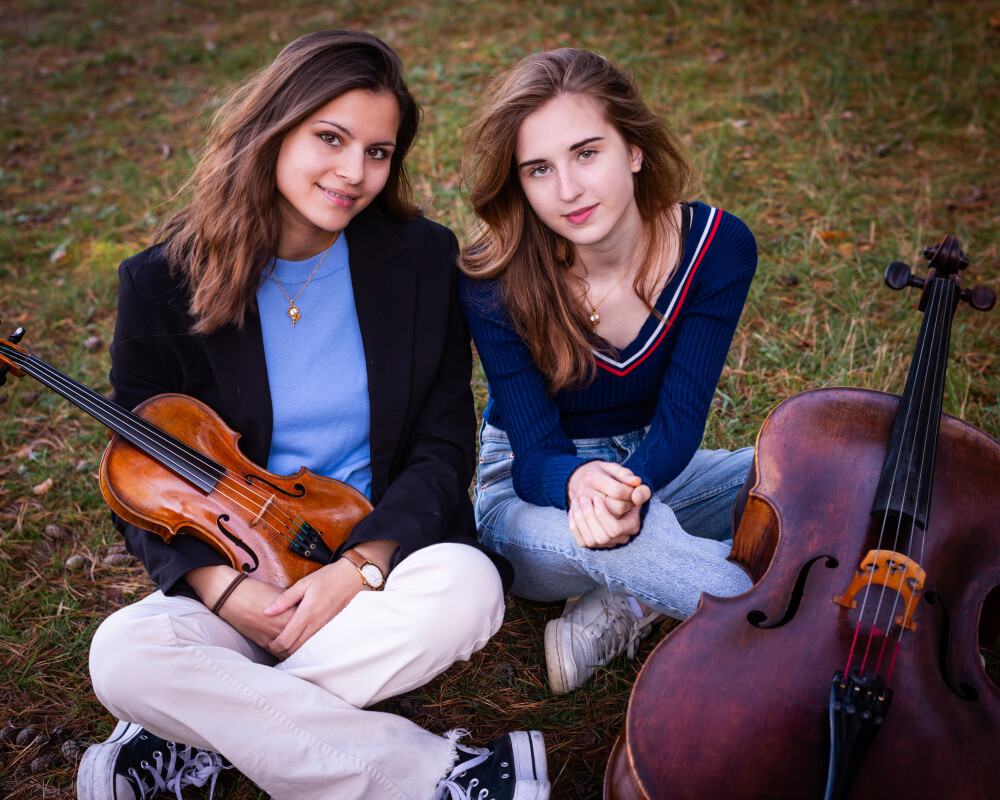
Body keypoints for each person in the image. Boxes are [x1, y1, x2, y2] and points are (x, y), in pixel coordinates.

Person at [76, 30, 550, 800]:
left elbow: (441, 445)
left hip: (379, 573)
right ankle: (436, 777)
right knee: (122, 651)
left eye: (378, 151)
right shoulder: (161, 282)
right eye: (330, 138)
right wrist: (226, 594)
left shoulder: (422, 259)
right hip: (239, 577)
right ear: (274, 130)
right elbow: (142, 476)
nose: (353, 172)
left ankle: (202, 732)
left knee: (468, 587)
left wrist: (357, 570)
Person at [458, 48, 757, 694]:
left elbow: (679, 424)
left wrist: (629, 491)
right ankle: (793, 630)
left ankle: (628, 601)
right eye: (539, 169)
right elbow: (536, 456)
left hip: (653, 466)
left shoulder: (717, 249)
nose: (566, 190)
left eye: (586, 153)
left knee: (803, 474)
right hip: (531, 498)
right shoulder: (493, 282)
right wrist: (587, 488)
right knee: (641, 540)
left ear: (635, 150)